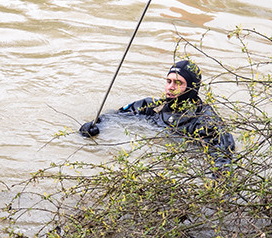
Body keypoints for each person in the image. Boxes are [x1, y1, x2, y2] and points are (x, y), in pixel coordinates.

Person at [79, 60, 234, 170]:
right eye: (168, 81)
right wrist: (95, 125)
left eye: (178, 83)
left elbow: (224, 155)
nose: (170, 87)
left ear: (192, 88)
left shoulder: (205, 120)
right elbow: (115, 116)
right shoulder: (152, 106)